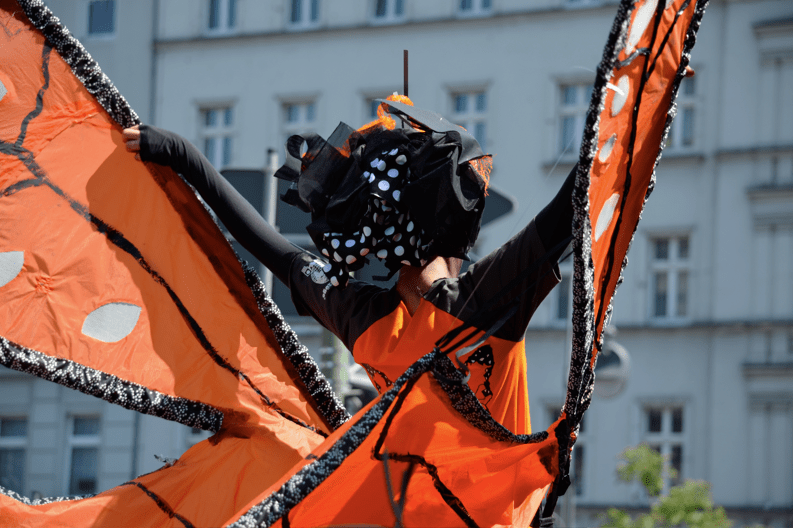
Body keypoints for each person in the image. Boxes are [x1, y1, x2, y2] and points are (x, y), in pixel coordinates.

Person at [122, 98, 575, 436]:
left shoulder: (365, 320)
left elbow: (273, 248)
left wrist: (185, 156)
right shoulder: (478, 304)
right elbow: (571, 209)